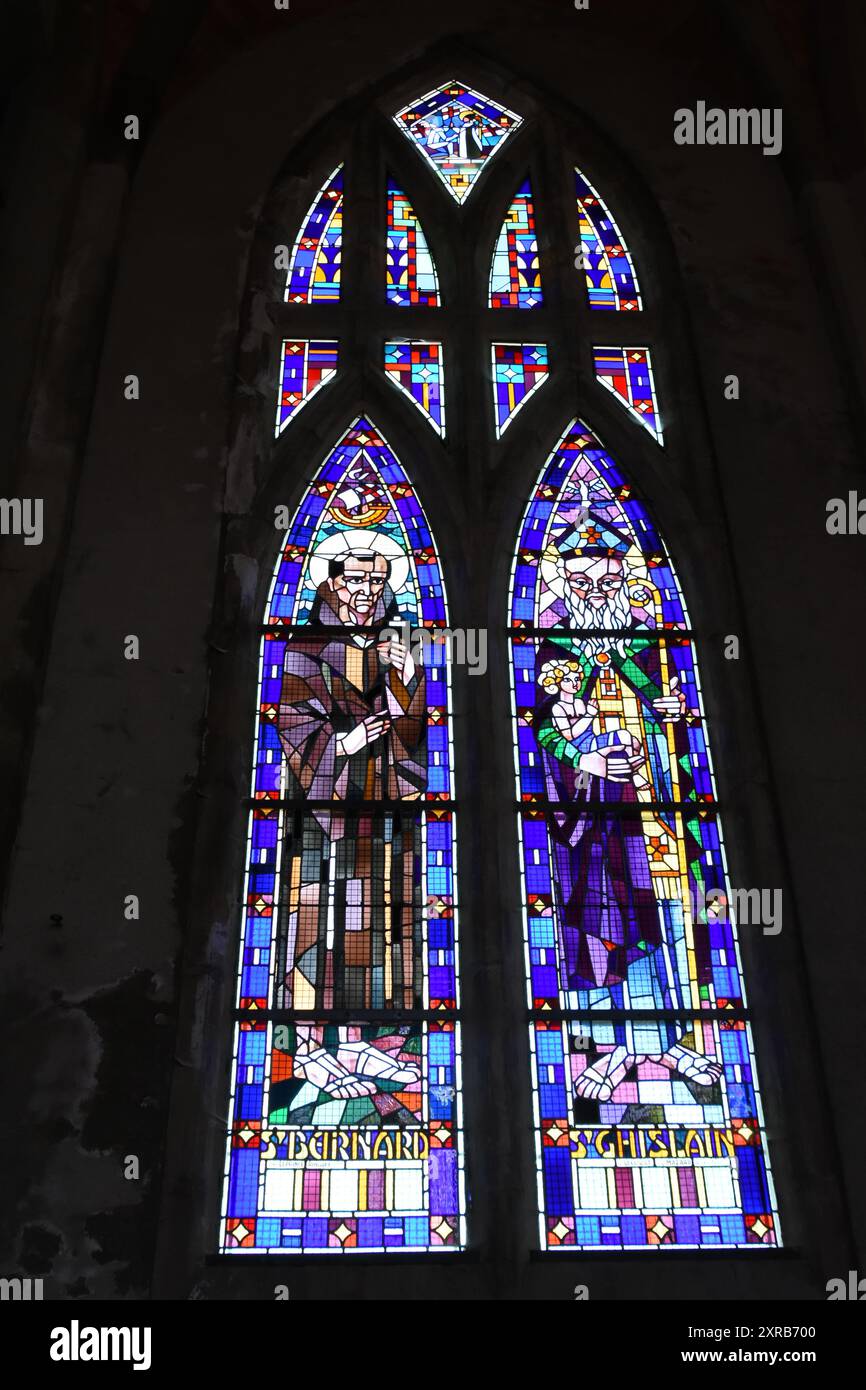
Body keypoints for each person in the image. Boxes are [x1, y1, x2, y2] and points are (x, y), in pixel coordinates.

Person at [275, 540, 425, 1096]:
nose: (367, 594)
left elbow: (414, 737)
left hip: (374, 804)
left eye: (377, 583)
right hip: (319, 810)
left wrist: (408, 683)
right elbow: (290, 718)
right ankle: (313, 1049)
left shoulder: (392, 645)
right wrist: (344, 742)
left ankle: (356, 1038)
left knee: (366, 916)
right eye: (357, 582)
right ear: (332, 584)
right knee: (316, 918)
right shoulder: (307, 646)